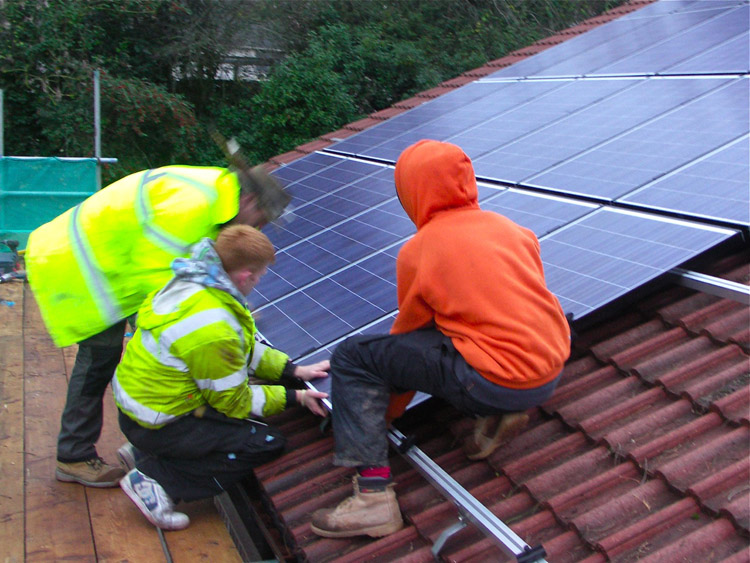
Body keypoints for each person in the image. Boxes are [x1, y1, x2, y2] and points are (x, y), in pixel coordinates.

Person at [310, 139, 571, 539]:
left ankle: (373, 498)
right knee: (473, 329)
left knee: (353, 356)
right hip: (548, 371)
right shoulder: (512, 230)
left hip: (492, 381)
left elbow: (409, 338)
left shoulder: (419, 250)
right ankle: (503, 411)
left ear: (413, 191)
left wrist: (381, 415)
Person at [25, 161, 289, 487]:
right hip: (83, 266)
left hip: (110, 261)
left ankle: (144, 442)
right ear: (248, 200)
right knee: (99, 360)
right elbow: (161, 282)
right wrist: (217, 322)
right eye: (260, 220)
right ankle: (74, 456)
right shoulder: (193, 208)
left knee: (161, 351)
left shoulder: (217, 198)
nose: (258, 229)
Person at [113, 225, 329, 530]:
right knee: (265, 441)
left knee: (232, 420)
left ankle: (143, 452)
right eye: (260, 275)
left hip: (141, 409)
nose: (259, 281)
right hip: (160, 422)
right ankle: (158, 482)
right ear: (244, 276)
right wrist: (297, 396)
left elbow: (239, 348)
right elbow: (234, 401)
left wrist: (292, 371)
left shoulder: (194, 286)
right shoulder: (214, 324)